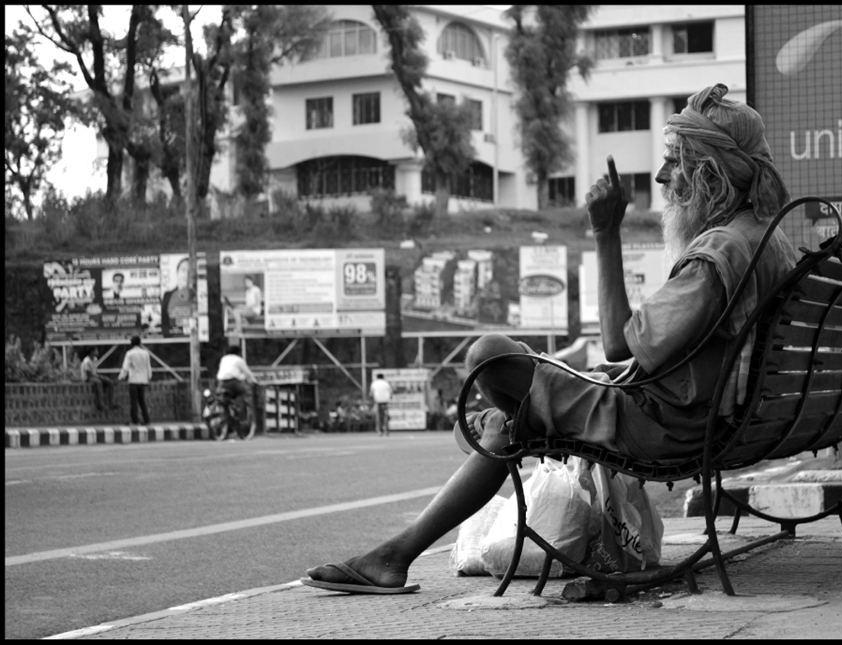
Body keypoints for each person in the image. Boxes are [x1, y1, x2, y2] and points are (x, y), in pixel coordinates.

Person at [301, 83, 797, 594]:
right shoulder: (766, 239)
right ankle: (401, 546)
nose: (661, 177)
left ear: (708, 173)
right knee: (506, 413)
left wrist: (606, 232)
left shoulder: (721, 251)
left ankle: (412, 533)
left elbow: (619, 345)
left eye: (674, 162)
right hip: (706, 414)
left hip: (663, 425)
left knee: (487, 355)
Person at [216, 345, 258, 429]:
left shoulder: (224, 359)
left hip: (221, 382)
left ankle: (226, 418)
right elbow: (247, 373)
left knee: (223, 400)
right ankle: (239, 411)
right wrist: (254, 381)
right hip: (233, 382)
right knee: (244, 393)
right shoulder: (239, 360)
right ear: (238, 352)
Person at [118, 335, 152, 426]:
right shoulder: (145, 353)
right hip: (143, 380)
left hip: (133, 380)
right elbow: (148, 367)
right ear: (140, 343)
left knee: (133, 401)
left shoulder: (130, 353)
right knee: (142, 401)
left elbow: (125, 368)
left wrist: (120, 377)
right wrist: (149, 378)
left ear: (131, 344)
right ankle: (146, 419)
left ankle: (135, 420)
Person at [161, 257, 194, 337]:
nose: (187, 274)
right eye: (183, 270)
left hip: (192, 335)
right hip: (172, 336)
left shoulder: (198, 294)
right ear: (177, 273)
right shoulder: (168, 295)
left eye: (190, 271)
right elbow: (164, 321)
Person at [80, 348, 118, 412]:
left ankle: (111, 403)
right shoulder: (87, 361)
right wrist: (99, 377)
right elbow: (89, 374)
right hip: (88, 377)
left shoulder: (95, 359)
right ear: (91, 352)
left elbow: (94, 371)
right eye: (96, 351)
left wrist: (101, 377)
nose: (97, 352)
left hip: (94, 376)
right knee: (99, 382)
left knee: (110, 382)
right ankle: (100, 404)